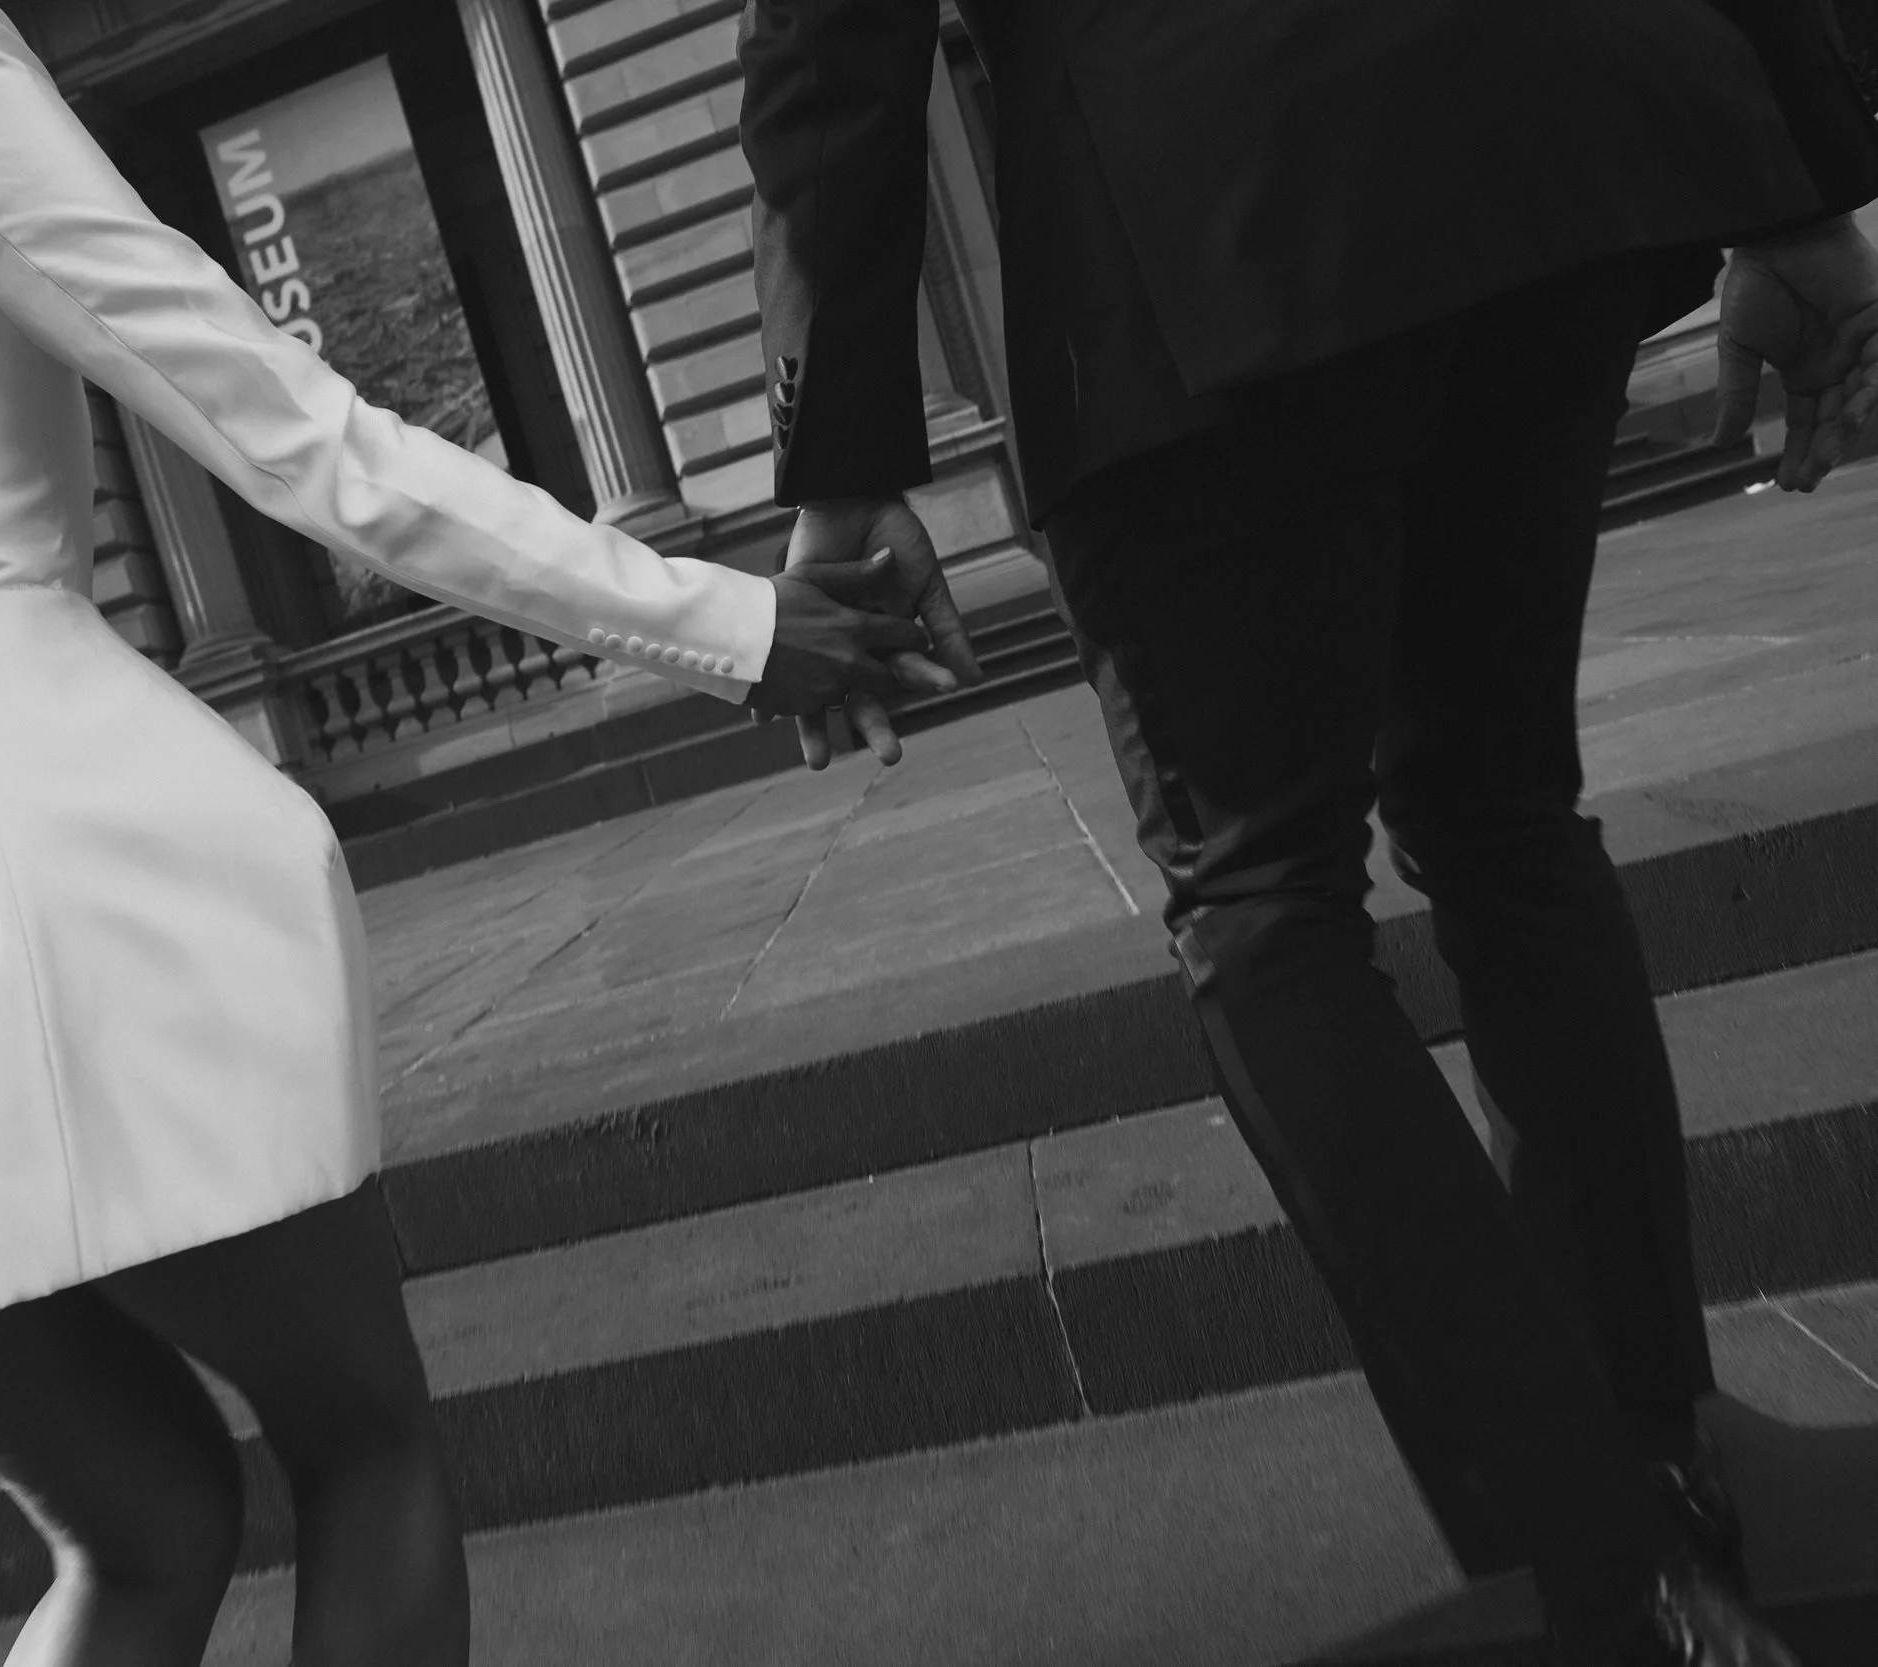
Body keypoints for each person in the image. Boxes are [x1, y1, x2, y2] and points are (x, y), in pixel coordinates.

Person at [0, 3, 966, 1666]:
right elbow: (306, 441)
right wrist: (730, 623)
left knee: (135, 1536)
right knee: (365, 1449)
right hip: (72, 871)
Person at [738, 0, 1878, 1662]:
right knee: (1502, 811)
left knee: (1264, 909)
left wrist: (839, 464)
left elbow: (826, 38)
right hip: (1547, 149)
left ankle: (1620, 1580)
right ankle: (1657, 1464)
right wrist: (1796, 194)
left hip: (1200, 222)